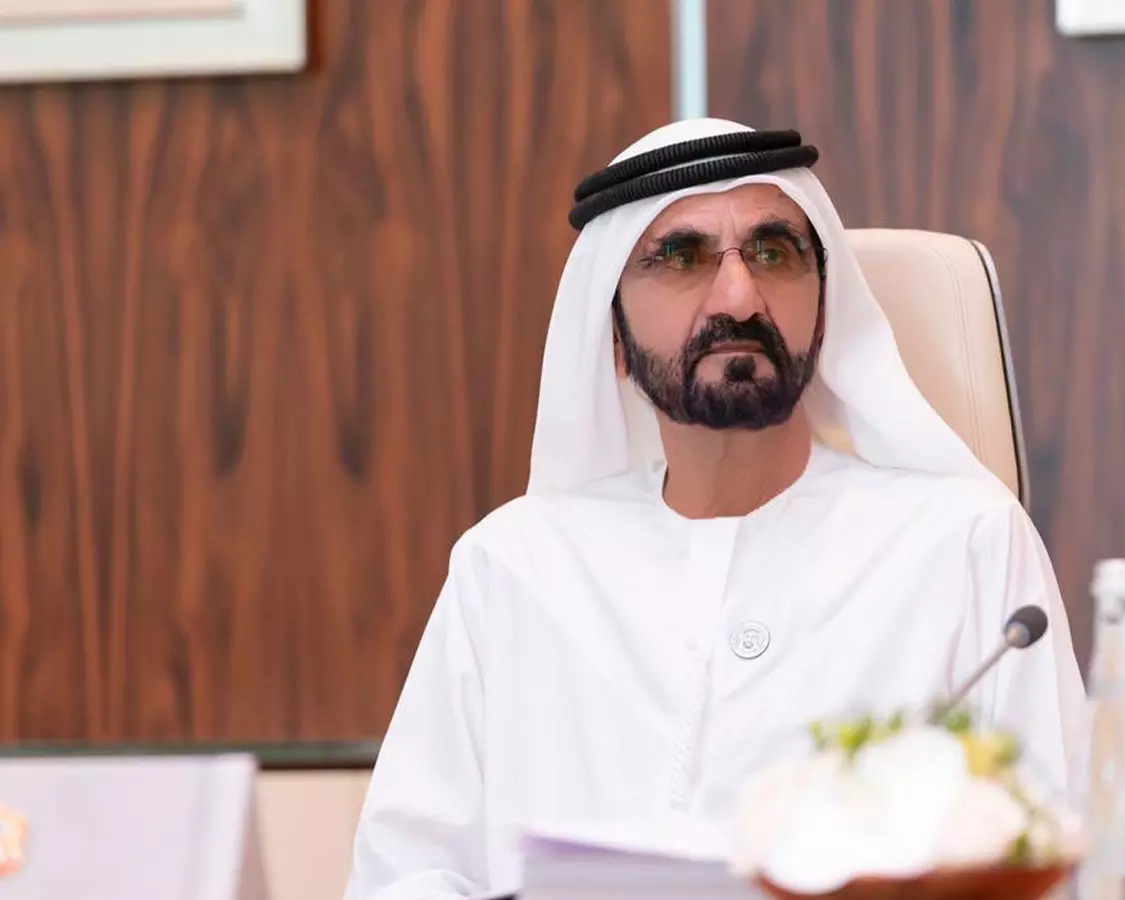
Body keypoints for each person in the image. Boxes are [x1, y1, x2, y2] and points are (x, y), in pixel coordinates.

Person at [343, 118, 1087, 900]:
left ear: (825, 313)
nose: (739, 296)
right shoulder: (511, 569)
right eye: (681, 257)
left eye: (774, 252)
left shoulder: (963, 543)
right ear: (613, 338)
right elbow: (406, 878)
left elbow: (1054, 864)